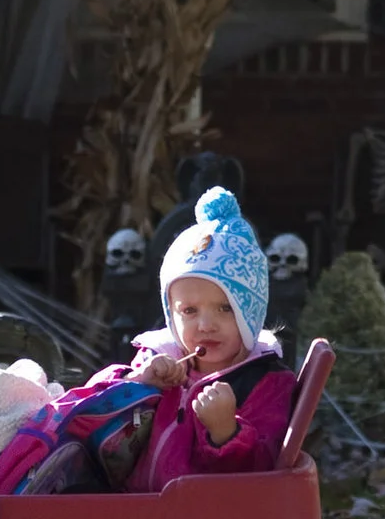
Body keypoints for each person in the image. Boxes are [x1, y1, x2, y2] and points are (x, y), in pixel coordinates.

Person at [102, 186, 298, 490]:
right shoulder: (155, 357)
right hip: (136, 516)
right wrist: (138, 384)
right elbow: (96, 414)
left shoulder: (265, 381)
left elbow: (264, 480)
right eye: (189, 310)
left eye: (225, 308)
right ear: (171, 313)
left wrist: (226, 432)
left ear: (251, 310)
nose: (206, 325)